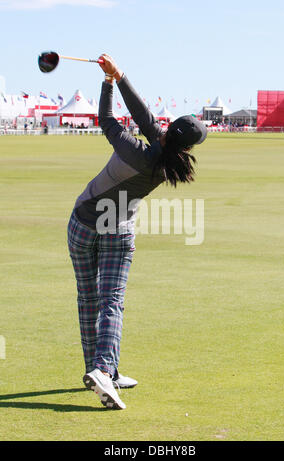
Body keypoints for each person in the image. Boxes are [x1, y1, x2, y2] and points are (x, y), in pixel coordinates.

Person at [67, 54, 207, 410]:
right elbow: (144, 116)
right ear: (186, 148)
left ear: (167, 129)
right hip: (119, 227)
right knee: (111, 301)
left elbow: (108, 119)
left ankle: (99, 370)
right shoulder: (169, 165)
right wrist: (119, 75)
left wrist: (109, 82)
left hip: (83, 224)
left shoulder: (135, 149)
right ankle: (104, 372)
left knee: (89, 300)